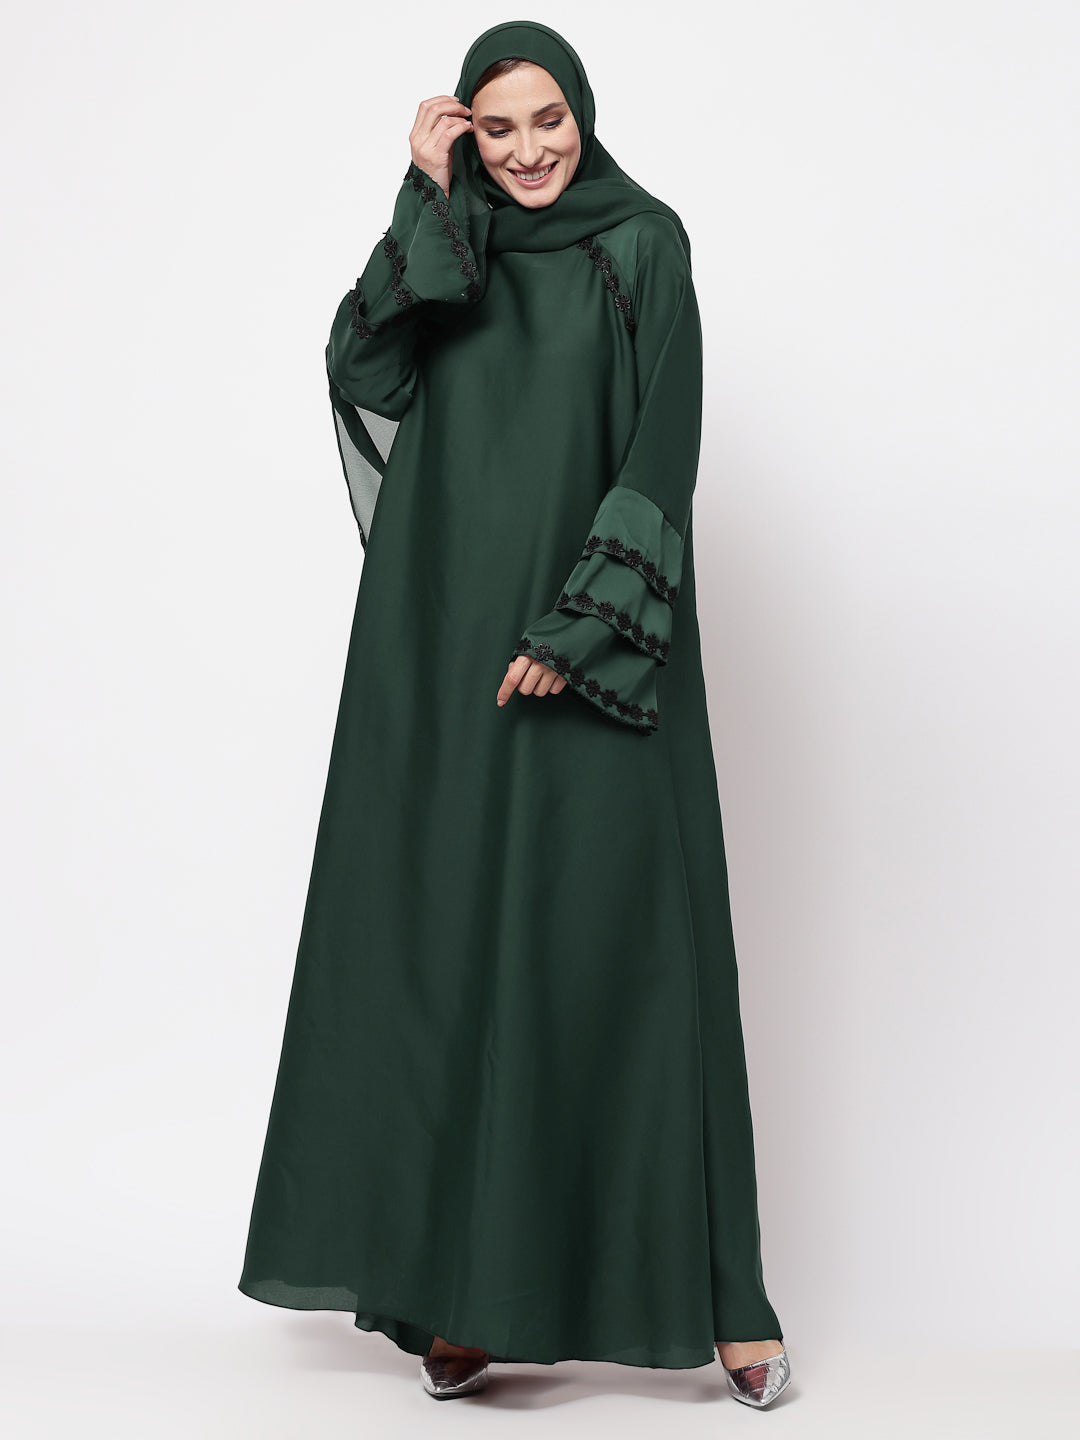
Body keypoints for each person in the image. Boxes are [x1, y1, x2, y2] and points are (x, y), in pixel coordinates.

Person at [237, 19, 792, 1411]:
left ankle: (727, 1306)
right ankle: (462, 1301)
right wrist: (425, 193)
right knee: (453, 949)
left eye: (549, 119)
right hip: (440, 643)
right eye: (498, 127)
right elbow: (365, 374)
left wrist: (583, 625)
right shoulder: (452, 242)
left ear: (584, 115)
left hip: (594, 645)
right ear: (466, 132)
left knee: (630, 954)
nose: (530, 149)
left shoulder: (645, 243)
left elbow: (663, 442)